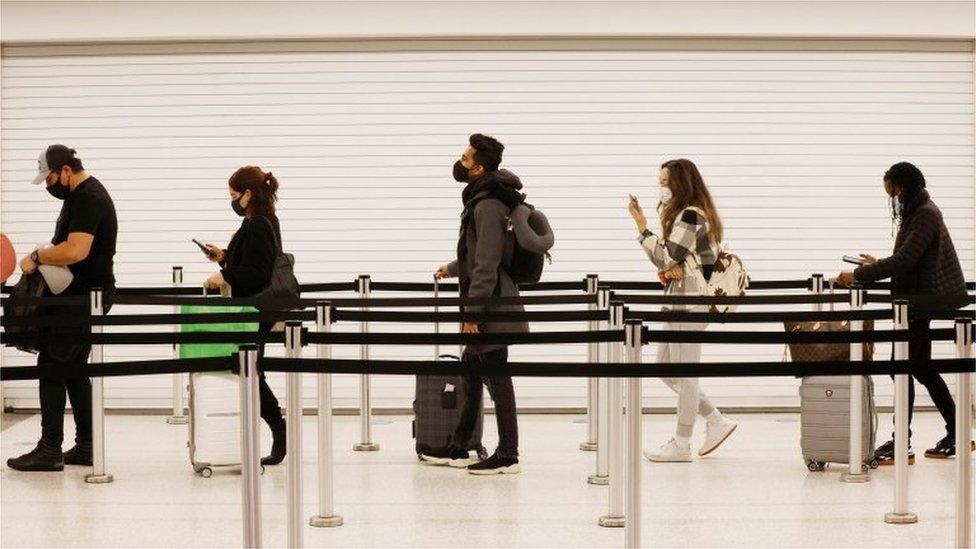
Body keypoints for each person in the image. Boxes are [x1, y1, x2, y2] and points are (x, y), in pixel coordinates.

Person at [837, 161, 970, 464]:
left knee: (904, 368)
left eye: (892, 191)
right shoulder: (919, 211)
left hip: (918, 303)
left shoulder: (925, 214)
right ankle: (956, 432)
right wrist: (875, 262)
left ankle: (905, 444)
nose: (892, 198)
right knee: (918, 367)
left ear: (903, 187)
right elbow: (907, 257)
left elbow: (905, 261)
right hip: (916, 301)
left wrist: (859, 275)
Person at [7, 145, 118, 472]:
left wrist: (39, 256)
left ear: (66, 170)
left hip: (82, 297)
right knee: (74, 371)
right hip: (81, 294)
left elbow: (76, 250)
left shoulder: (88, 198)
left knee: (53, 365)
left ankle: (49, 449)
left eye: (50, 177)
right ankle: (86, 446)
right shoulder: (80, 196)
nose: (48, 185)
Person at [424, 133, 527, 475]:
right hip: (488, 298)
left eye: (465, 159)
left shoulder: (487, 204)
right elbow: (478, 254)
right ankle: (461, 446)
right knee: (471, 372)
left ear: (478, 168)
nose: (460, 162)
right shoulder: (482, 198)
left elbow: (486, 263)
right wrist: (453, 268)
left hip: (490, 305)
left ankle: (508, 454)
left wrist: (473, 314)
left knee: (498, 380)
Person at [627, 158, 738, 463]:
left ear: (681, 184)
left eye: (666, 182)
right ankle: (716, 420)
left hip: (691, 304)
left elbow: (666, 256)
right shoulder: (686, 215)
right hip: (678, 301)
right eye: (660, 182)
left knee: (686, 373)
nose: (661, 188)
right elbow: (672, 261)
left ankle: (682, 442)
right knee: (666, 366)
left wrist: (641, 228)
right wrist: (669, 267)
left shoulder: (691, 215)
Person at [202, 166, 287, 466]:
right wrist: (224, 256)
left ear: (248, 194)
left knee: (251, 372)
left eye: (234, 196)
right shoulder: (262, 221)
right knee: (251, 372)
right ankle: (275, 431)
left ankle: (278, 428)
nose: (233, 201)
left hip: (255, 310)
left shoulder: (258, 225)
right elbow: (252, 260)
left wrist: (222, 275)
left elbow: (257, 273)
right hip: (255, 310)